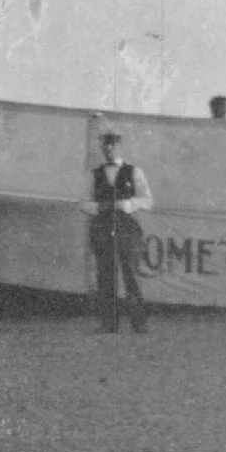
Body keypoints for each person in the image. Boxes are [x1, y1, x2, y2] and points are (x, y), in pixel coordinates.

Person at [89, 129, 153, 334]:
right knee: (106, 273)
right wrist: (99, 208)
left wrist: (128, 204)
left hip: (127, 226)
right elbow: (83, 202)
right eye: (105, 143)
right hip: (103, 225)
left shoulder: (134, 172)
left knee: (130, 273)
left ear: (120, 146)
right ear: (101, 146)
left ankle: (138, 321)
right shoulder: (94, 174)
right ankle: (109, 322)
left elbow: (148, 200)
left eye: (113, 143)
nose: (109, 147)